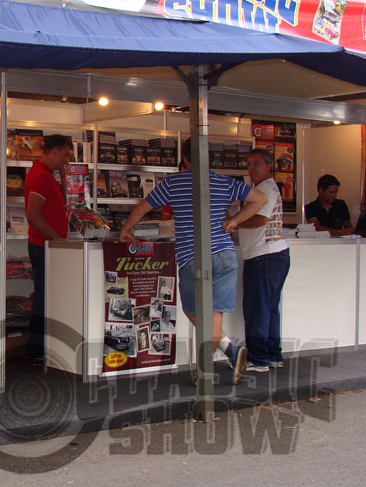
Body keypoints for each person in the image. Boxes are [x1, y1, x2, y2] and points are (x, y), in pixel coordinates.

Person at [120, 138, 268, 384]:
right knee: (213, 314)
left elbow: (143, 206)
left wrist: (126, 229)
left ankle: (207, 373)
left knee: (194, 310)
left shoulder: (173, 183)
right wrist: (235, 221)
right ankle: (230, 351)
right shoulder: (223, 182)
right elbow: (260, 199)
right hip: (224, 255)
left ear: (186, 158)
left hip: (192, 256)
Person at [235, 149, 290, 373]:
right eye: (249, 163)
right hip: (274, 255)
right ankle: (273, 354)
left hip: (263, 256)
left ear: (269, 166)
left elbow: (260, 219)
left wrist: (234, 222)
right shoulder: (267, 188)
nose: (251, 168)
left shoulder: (265, 188)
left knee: (257, 309)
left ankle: (258, 359)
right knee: (270, 309)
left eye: (256, 163)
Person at [24, 134, 71, 364]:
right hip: (44, 245)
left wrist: (63, 178)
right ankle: (35, 350)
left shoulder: (46, 175)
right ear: (55, 151)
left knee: (46, 296)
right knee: (44, 298)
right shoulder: (41, 176)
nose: (66, 159)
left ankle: (40, 348)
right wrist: (57, 239)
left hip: (47, 244)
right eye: (65, 154)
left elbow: (59, 204)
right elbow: (33, 214)